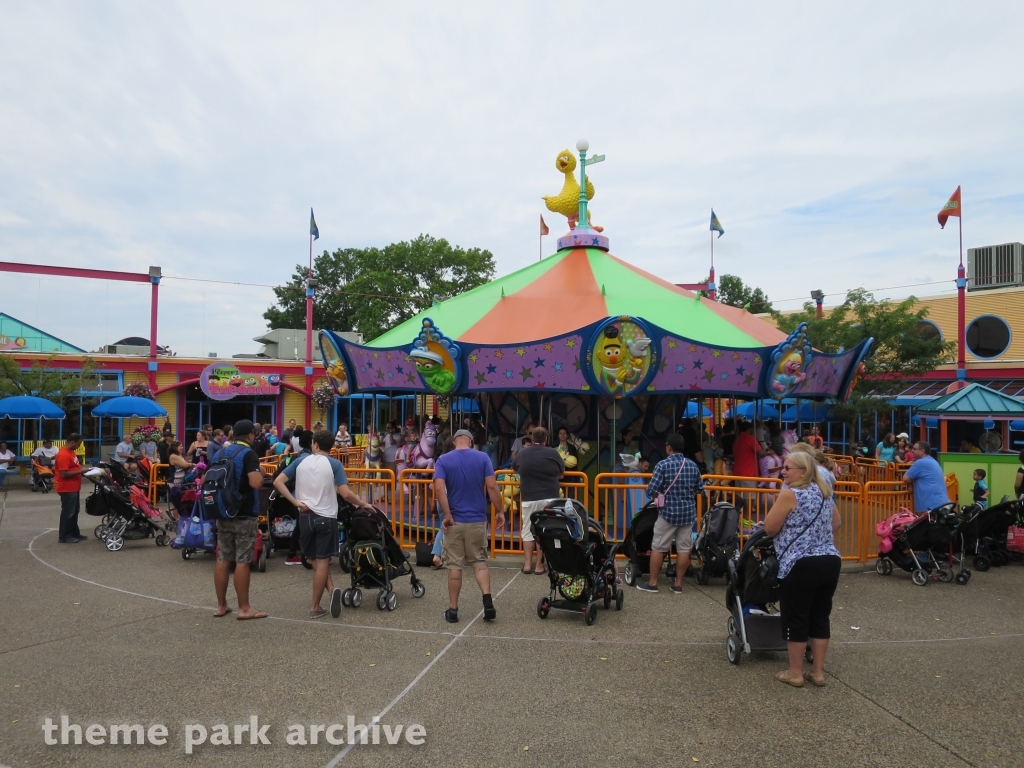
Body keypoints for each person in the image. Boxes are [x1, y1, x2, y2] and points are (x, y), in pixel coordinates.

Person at [274, 429, 373, 618]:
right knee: (323, 561)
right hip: (325, 516)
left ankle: (331, 589)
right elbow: (345, 493)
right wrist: (362, 503)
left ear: (315, 444)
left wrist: (294, 502)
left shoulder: (300, 461)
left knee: (314, 560)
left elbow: (278, 481)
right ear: (332, 446)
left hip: (304, 515)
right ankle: (315, 606)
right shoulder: (334, 464)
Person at [764, 450, 842, 688]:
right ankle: (817, 672)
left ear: (803, 471)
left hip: (800, 562)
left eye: (787, 468)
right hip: (829, 560)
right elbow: (836, 523)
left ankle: (795, 672)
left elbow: (770, 528)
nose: (783, 472)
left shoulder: (790, 494)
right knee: (820, 616)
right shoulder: (825, 492)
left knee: (796, 617)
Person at [434, 429, 505, 623]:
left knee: (455, 565)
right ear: (471, 441)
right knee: (479, 562)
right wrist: (500, 510)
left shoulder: (443, 460)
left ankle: (453, 611)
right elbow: (492, 486)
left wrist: (447, 515)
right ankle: (488, 602)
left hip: (455, 521)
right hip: (477, 520)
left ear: (455, 441)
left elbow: (439, 489)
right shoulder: (483, 458)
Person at [212, 420, 267, 621]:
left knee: (223, 558)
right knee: (243, 560)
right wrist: (260, 475)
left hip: (222, 511)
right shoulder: (249, 454)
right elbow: (255, 482)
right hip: (243, 513)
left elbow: (205, 480)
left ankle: (221, 605)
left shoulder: (220, 453)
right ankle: (244, 608)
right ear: (250, 435)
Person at [637, 434, 705, 594]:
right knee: (683, 548)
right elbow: (699, 489)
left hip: (667, 513)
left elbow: (651, 490)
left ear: (669, 447)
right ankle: (678, 584)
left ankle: (653, 582)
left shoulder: (662, 465)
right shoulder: (692, 466)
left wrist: (659, 496)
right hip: (688, 514)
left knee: (658, 547)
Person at [513, 426, 564, 575]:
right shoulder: (553, 453)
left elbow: (515, 468)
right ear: (546, 439)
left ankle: (527, 564)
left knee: (528, 530)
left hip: (529, 496)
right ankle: (539, 566)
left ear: (532, 438)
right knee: (544, 530)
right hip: (549, 496)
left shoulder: (522, 453)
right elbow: (562, 471)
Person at [54, 434, 89, 543]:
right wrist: (81, 471)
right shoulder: (63, 455)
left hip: (73, 486)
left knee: (74, 511)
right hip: (67, 488)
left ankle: (74, 533)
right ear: (72, 442)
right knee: (68, 512)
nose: (78, 446)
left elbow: (73, 467)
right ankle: (64, 536)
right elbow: (64, 474)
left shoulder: (71, 452)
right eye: (78, 444)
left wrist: (81, 471)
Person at [903, 441, 950, 513]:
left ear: (922, 451)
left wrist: (913, 481)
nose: (912, 451)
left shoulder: (920, 462)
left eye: (915, 449)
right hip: (942, 503)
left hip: (931, 506)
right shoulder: (933, 461)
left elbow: (905, 478)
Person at [167, 441, 192, 518]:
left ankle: (172, 514)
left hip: (181, 482)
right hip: (174, 482)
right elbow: (184, 465)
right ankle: (176, 519)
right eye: (180, 446)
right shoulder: (173, 456)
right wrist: (191, 464)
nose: (182, 448)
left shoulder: (180, 455)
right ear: (175, 448)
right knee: (175, 502)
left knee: (178, 501)